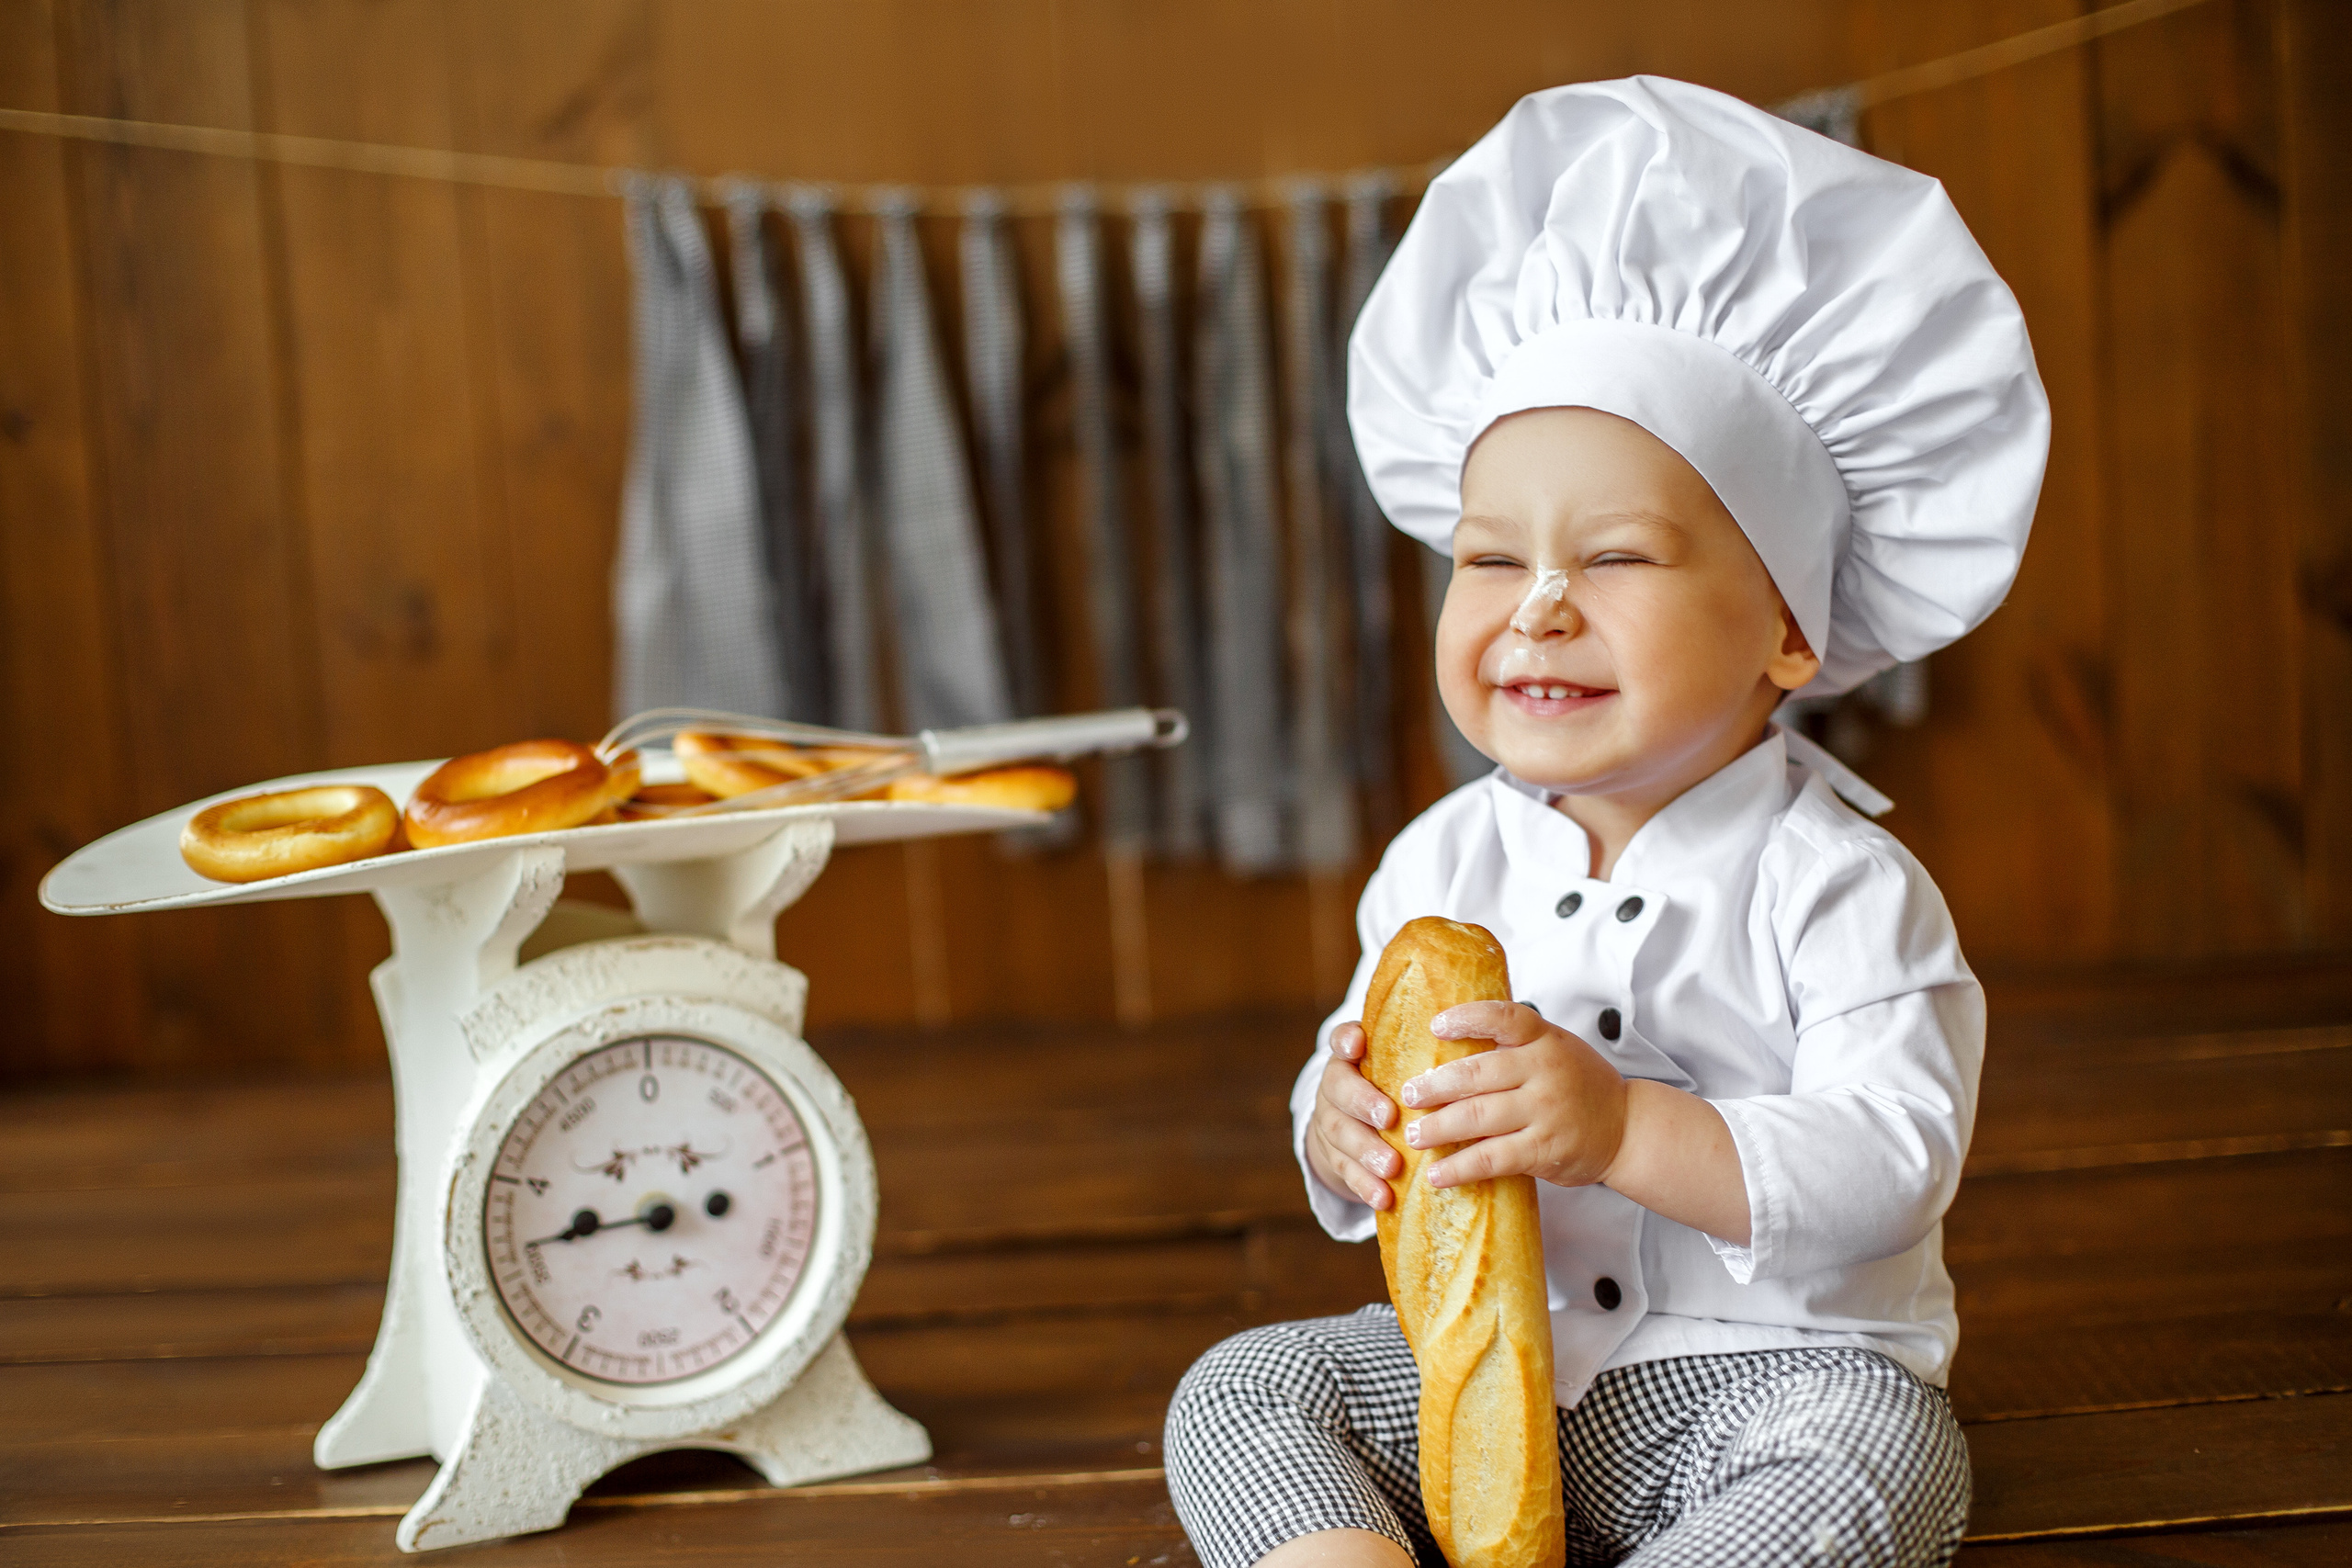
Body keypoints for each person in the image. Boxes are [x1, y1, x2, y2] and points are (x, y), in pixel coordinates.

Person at [1162, 76, 2049, 1568]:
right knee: (1246, 1387)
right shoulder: (1440, 866)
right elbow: (1373, 1070)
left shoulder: (1839, 886)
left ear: (1786, 626)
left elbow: (1895, 1156)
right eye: (1490, 557)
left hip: (1769, 1385)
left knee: (1880, 1465)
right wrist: (1338, 1123)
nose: (1540, 608)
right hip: (1483, 1380)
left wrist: (1627, 1126)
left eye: (1619, 555)